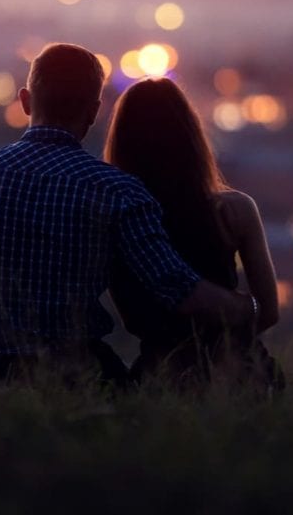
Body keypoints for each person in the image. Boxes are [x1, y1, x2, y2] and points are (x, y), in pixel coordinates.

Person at [0, 43, 259, 385]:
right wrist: (244, 308)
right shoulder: (115, 191)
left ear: (26, 101)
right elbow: (177, 289)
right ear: (94, 112)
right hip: (75, 378)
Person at [104, 77, 281, 387]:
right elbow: (267, 311)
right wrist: (236, 318)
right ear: (192, 137)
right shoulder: (234, 210)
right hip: (245, 370)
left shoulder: (118, 217)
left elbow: (131, 319)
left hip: (160, 374)